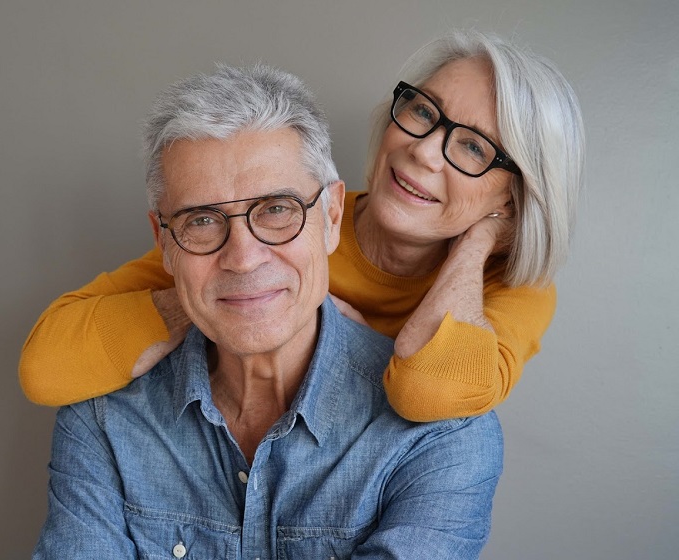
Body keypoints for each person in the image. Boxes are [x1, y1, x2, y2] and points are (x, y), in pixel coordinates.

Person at [32, 63, 503, 559]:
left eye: (277, 209)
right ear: (164, 244)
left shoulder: (442, 439)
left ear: (332, 217)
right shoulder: (103, 419)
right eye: (203, 220)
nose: (242, 258)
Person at [19, 29, 585, 421]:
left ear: (514, 194)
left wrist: (479, 239)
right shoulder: (286, 218)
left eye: (472, 147)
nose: (423, 152)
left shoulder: (510, 289)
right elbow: (47, 366)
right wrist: (226, 297)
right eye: (422, 112)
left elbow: (431, 389)